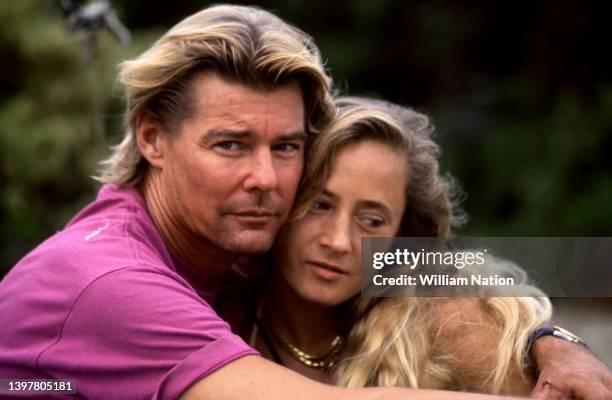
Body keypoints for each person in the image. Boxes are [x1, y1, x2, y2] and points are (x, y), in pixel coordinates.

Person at [0, 4, 607, 400]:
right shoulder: (109, 281)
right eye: (230, 144)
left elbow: (429, 261)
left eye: (285, 146)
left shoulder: (237, 245)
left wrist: (553, 340)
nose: (265, 177)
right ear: (153, 136)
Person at [242, 96, 612, 397]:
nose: (338, 241)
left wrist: (551, 343)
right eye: (319, 205)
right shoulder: (215, 304)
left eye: (371, 221)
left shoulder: (437, 322)